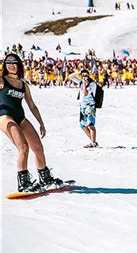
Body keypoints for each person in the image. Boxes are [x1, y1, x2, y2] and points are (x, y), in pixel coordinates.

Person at [0, 54, 63, 192]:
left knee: (38, 148)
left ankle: (45, 177)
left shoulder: (23, 85)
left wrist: (41, 122)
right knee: (23, 147)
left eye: (14, 62)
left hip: (20, 117)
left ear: (19, 65)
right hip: (5, 118)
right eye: (8, 62)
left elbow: (32, 105)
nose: (10, 65)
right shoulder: (1, 80)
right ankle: (23, 183)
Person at [70, 69, 99, 148]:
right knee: (82, 125)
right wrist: (78, 72)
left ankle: (93, 143)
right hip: (83, 106)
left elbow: (85, 94)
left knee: (91, 124)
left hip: (90, 106)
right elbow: (70, 77)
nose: (85, 77)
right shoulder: (80, 82)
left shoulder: (92, 84)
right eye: (83, 75)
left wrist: (84, 84)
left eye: (86, 75)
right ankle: (93, 142)